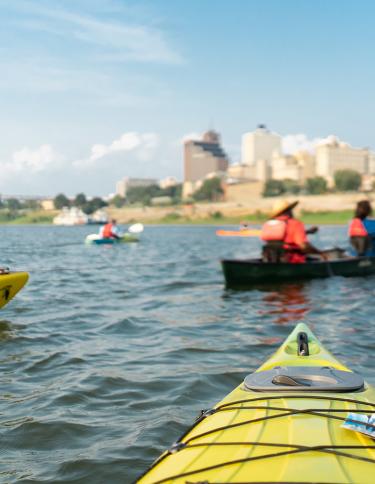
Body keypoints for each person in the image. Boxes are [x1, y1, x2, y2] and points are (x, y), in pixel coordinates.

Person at [261, 200, 325, 263]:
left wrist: (307, 232)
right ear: (288, 211)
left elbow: (285, 237)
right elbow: (304, 246)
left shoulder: (269, 224)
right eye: (291, 209)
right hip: (292, 261)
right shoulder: (295, 224)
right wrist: (319, 253)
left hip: (270, 260)